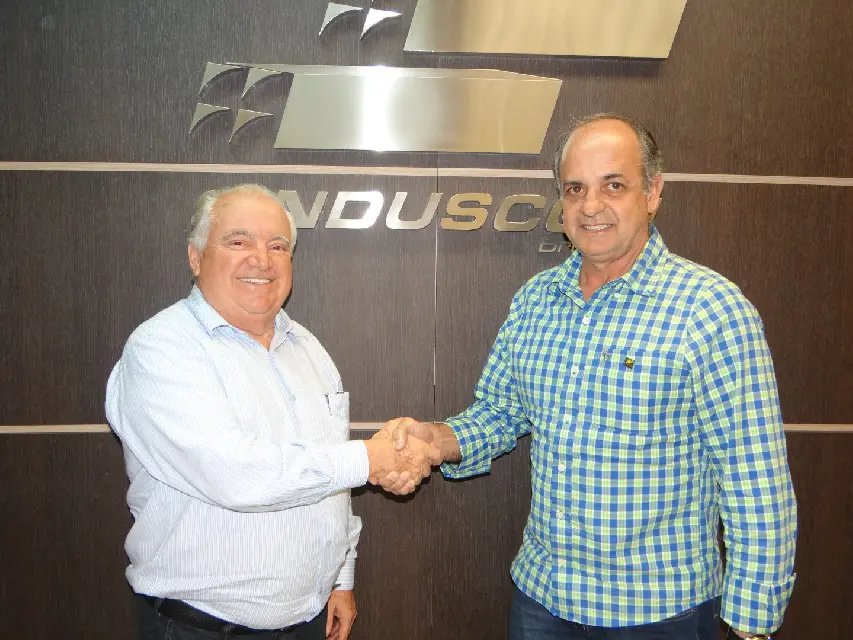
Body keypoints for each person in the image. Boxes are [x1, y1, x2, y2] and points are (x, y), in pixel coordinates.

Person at [382, 115, 797, 640]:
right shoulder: (536, 300)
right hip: (543, 601)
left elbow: (754, 479)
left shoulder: (710, 310)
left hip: (659, 612)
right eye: (575, 188)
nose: (591, 205)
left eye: (613, 185)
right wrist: (435, 441)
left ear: (653, 192)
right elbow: (499, 413)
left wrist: (751, 625)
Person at [106, 184, 438, 640]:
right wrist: (372, 459)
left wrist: (340, 579)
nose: (261, 259)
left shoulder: (308, 349)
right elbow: (233, 474)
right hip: (199, 627)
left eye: (277, 246)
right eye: (238, 241)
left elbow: (331, 477)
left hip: (307, 619)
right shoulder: (161, 349)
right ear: (196, 257)